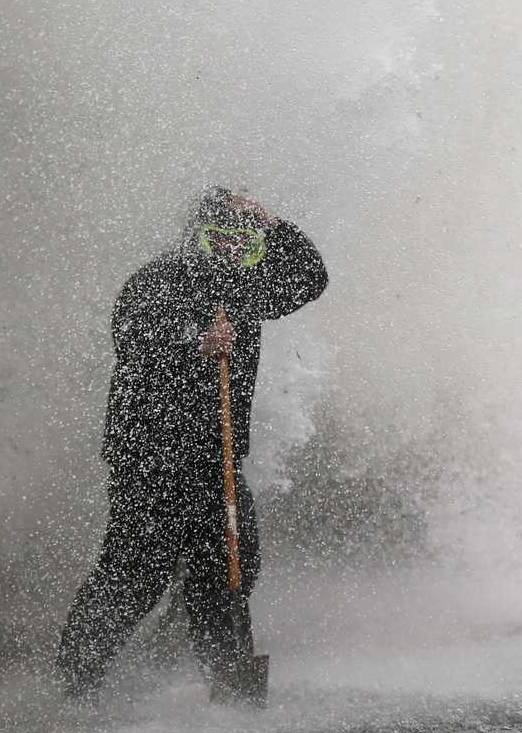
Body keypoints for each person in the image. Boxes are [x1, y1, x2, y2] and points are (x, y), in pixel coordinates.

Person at [53, 187, 328, 699]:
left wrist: (271, 221)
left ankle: (231, 695)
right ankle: (73, 685)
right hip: (149, 457)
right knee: (137, 574)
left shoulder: (244, 287)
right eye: (218, 238)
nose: (229, 249)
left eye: (241, 240)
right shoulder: (159, 279)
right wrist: (194, 344)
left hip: (214, 459)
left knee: (230, 571)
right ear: (196, 236)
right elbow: (130, 335)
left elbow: (310, 278)